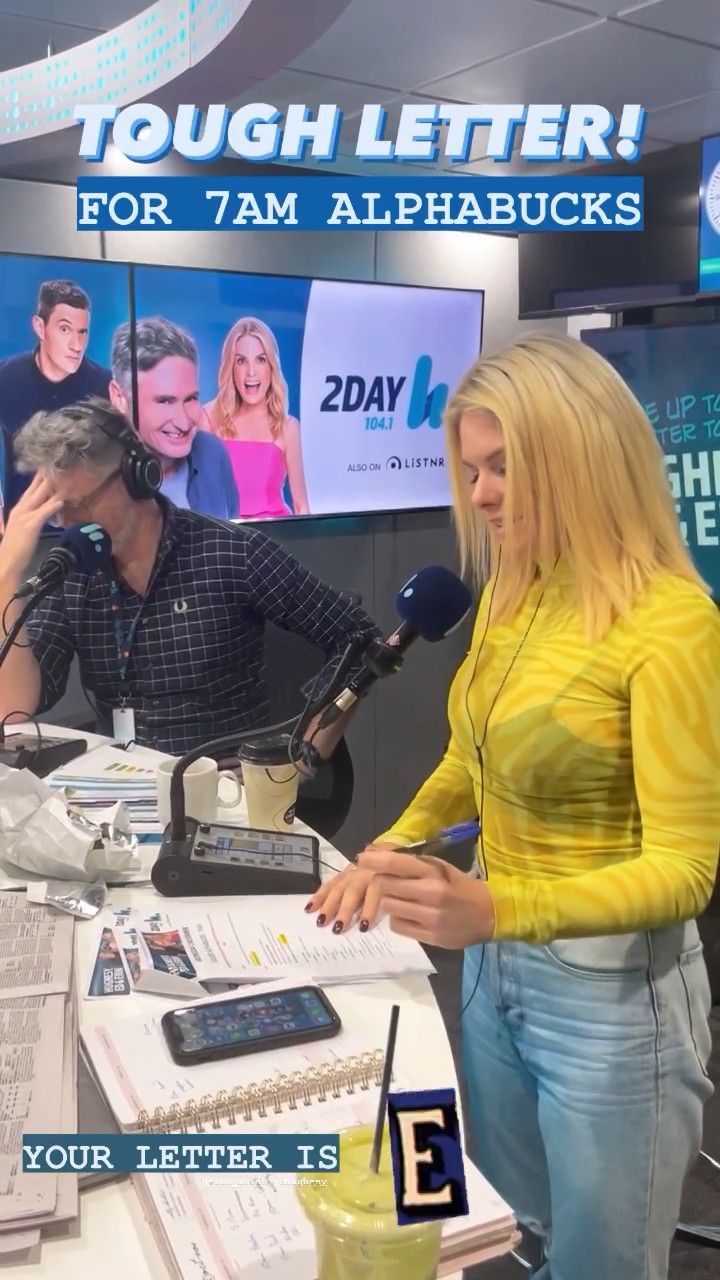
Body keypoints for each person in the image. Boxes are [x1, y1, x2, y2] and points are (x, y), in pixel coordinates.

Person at [307, 335, 720, 1280]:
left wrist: (495, 909)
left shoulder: (674, 623)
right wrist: (393, 845)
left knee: (600, 1264)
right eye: (472, 472)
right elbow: (470, 757)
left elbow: (687, 871)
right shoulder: (509, 592)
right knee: (509, 1233)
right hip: (494, 977)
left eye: (504, 468)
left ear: (585, 457)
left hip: (611, 1007)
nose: (483, 496)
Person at [0, 398, 377, 754]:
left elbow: (358, 637)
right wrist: (6, 574)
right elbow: (12, 708)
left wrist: (306, 750)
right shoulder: (75, 571)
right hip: (119, 785)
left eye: (77, 505)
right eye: (56, 510)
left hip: (221, 784)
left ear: (136, 477)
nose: (67, 524)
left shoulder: (230, 552)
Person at [109, 317, 239, 520]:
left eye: (191, 399)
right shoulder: (91, 477)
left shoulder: (213, 453)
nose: (183, 423)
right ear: (119, 397)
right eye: (165, 401)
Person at [0, 279, 111, 512]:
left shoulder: (105, 386)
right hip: (21, 524)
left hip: (86, 523)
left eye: (82, 332)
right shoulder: (5, 378)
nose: (77, 345)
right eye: (64, 329)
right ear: (40, 327)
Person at [204, 316, 309, 519]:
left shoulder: (288, 427)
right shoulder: (209, 418)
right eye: (241, 361)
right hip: (225, 533)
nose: (251, 372)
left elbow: (301, 506)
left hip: (276, 533)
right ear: (231, 368)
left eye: (261, 360)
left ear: (271, 366)